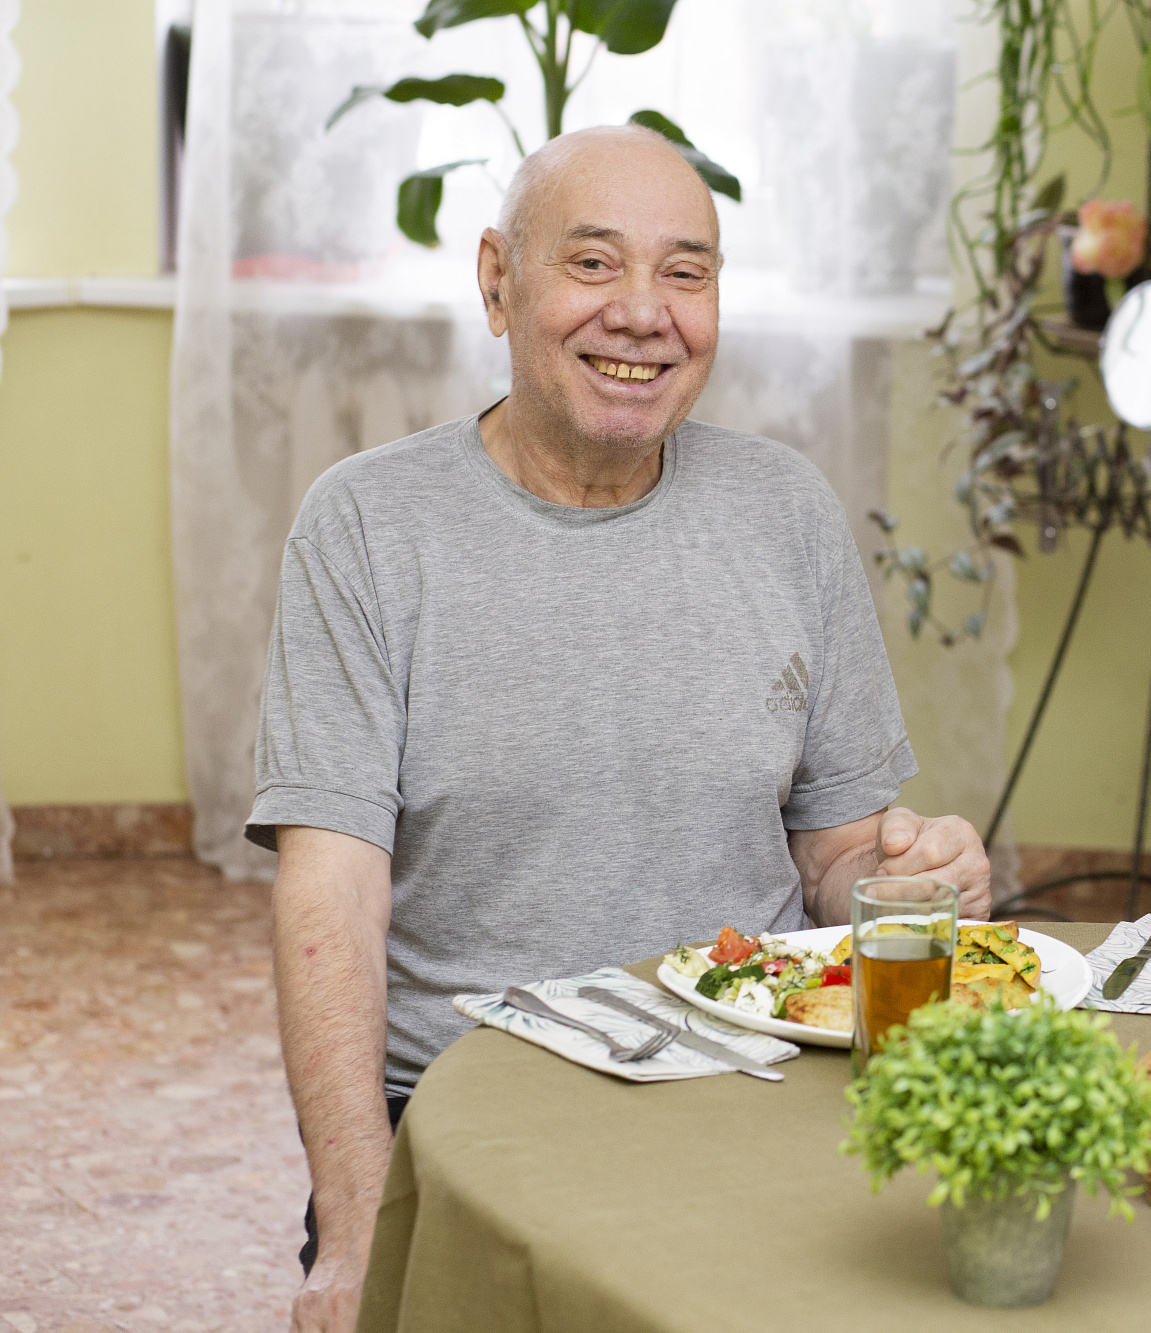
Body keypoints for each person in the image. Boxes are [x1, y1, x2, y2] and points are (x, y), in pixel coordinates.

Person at [256, 126, 990, 1333]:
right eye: (592, 264)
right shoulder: (367, 527)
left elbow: (837, 860)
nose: (643, 314)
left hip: (744, 1091)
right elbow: (330, 903)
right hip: (468, 1116)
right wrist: (354, 1233)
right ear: (498, 281)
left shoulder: (784, 510)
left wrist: (910, 877)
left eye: (685, 273)